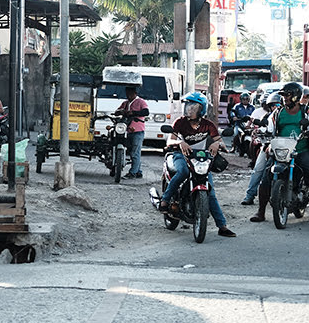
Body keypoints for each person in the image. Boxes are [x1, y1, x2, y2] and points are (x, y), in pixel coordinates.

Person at [249, 82, 309, 225]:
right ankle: (261, 211)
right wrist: (262, 133)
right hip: (281, 151)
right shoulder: (277, 113)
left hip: (301, 150)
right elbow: (269, 129)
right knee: (266, 178)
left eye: (287, 96)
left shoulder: (307, 112)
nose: (284, 99)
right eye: (283, 96)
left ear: (296, 96)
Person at [159, 92, 237, 238]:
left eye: (193, 107)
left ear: (201, 109)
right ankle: (165, 199)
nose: (189, 109)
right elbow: (170, 141)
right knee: (182, 172)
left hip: (201, 158)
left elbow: (219, 141)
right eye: (188, 106)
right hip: (180, 155)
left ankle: (222, 226)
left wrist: (216, 144)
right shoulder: (180, 122)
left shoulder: (208, 125)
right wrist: (179, 142)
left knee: (211, 192)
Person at [241, 92, 283, 205]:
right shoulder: (268, 117)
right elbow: (264, 127)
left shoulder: (288, 115)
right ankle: (250, 195)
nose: (276, 107)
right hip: (269, 146)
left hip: (285, 148)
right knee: (258, 169)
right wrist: (259, 130)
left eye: (278, 105)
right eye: (273, 105)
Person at [116, 86, 149, 179]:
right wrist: (120, 112)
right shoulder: (125, 103)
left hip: (138, 130)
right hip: (128, 130)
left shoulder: (141, 102)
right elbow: (116, 111)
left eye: (130, 94)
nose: (128, 96)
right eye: (127, 94)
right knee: (132, 152)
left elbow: (146, 112)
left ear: (135, 93)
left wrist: (133, 113)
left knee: (135, 152)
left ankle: (133, 172)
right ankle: (138, 171)